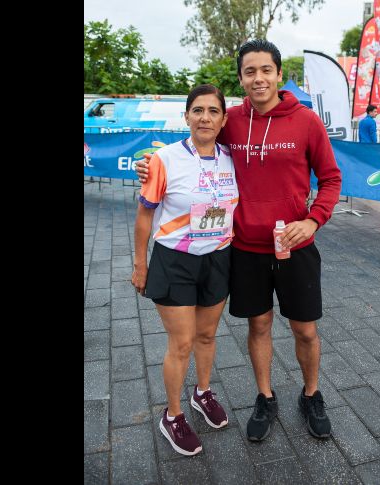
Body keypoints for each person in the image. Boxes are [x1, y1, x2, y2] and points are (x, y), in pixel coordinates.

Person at [137, 40, 342, 441]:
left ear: (279, 74)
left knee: (305, 330)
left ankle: (311, 394)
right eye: (250, 72)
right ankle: (264, 397)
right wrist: (150, 161)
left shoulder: (306, 121)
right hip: (245, 248)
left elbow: (331, 179)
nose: (258, 78)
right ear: (241, 78)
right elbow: (196, 136)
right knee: (259, 325)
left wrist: (315, 220)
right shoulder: (230, 118)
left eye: (266, 70)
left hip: (295, 245)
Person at [131, 84, 237, 456]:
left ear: (224, 120)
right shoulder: (165, 160)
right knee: (182, 342)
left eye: (213, 111)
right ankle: (173, 415)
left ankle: (202, 393)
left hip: (217, 257)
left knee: (207, 336)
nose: (205, 117)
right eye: (198, 110)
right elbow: (145, 214)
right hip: (174, 259)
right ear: (187, 116)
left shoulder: (230, 157)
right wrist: (140, 264)